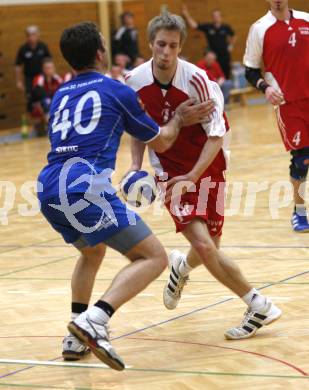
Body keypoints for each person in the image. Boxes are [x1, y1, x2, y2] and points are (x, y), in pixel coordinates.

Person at [37, 22, 213, 368]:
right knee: (153, 258)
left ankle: (74, 336)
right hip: (85, 186)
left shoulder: (60, 94)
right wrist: (178, 118)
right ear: (101, 53)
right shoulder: (116, 90)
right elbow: (161, 140)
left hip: (47, 185)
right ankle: (95, 319)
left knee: (91, 251)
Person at [126, 12, 281, 341]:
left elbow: (216, 133)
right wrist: (135, 167)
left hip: (208, 164)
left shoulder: (198, 81)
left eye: (173, 45)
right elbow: (137, 129)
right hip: (170, 171)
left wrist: (194, 175)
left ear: (181, 47)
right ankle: (259, 304)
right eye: (160, 45)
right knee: (204, 245)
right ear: (150, 44)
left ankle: (181, 268)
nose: (166, 52)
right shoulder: (134, 81)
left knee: (211, 245)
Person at [243, 1, 309, 232]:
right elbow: (250, 71)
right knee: (302, 158)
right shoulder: (260, 28)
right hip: (288, 103)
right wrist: (266, 88)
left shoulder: (305, 19)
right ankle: (299, 213)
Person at [182, 5, 235, 79]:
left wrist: (231, 46)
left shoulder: (226, 27)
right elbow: (194, 26)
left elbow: (233, 36)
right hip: (213, 59)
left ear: (220, 17)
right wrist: (186, 14)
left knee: (225, 78)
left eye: (218, 16)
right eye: (214, 16)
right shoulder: (208, 27)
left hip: (225, 57)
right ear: (212, 17)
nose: (216, 17)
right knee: (214, 79)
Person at [15, 25, 51, 112]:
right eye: (29, 35)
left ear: (38, 35)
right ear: (27, 37)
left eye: (34, 35)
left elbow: (49, 61)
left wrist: (50, 75)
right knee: (31, 102)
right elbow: (18, 66)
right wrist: (18, 81)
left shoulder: (43, 46)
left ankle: (45, 121)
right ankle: (38, 122)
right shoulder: (23, 49)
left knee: (44, 100)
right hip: (29, 79)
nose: (31, 37)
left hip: (42, 78)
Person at [31, 58, 62, 135]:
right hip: (39, 104)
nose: (49, 70)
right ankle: (49, 126)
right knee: (45, 102)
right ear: (43, 69)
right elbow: (38, 96)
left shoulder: (57, 79)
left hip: (53, 103)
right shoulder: (39, 79)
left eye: (51, 68)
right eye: (47, 68)